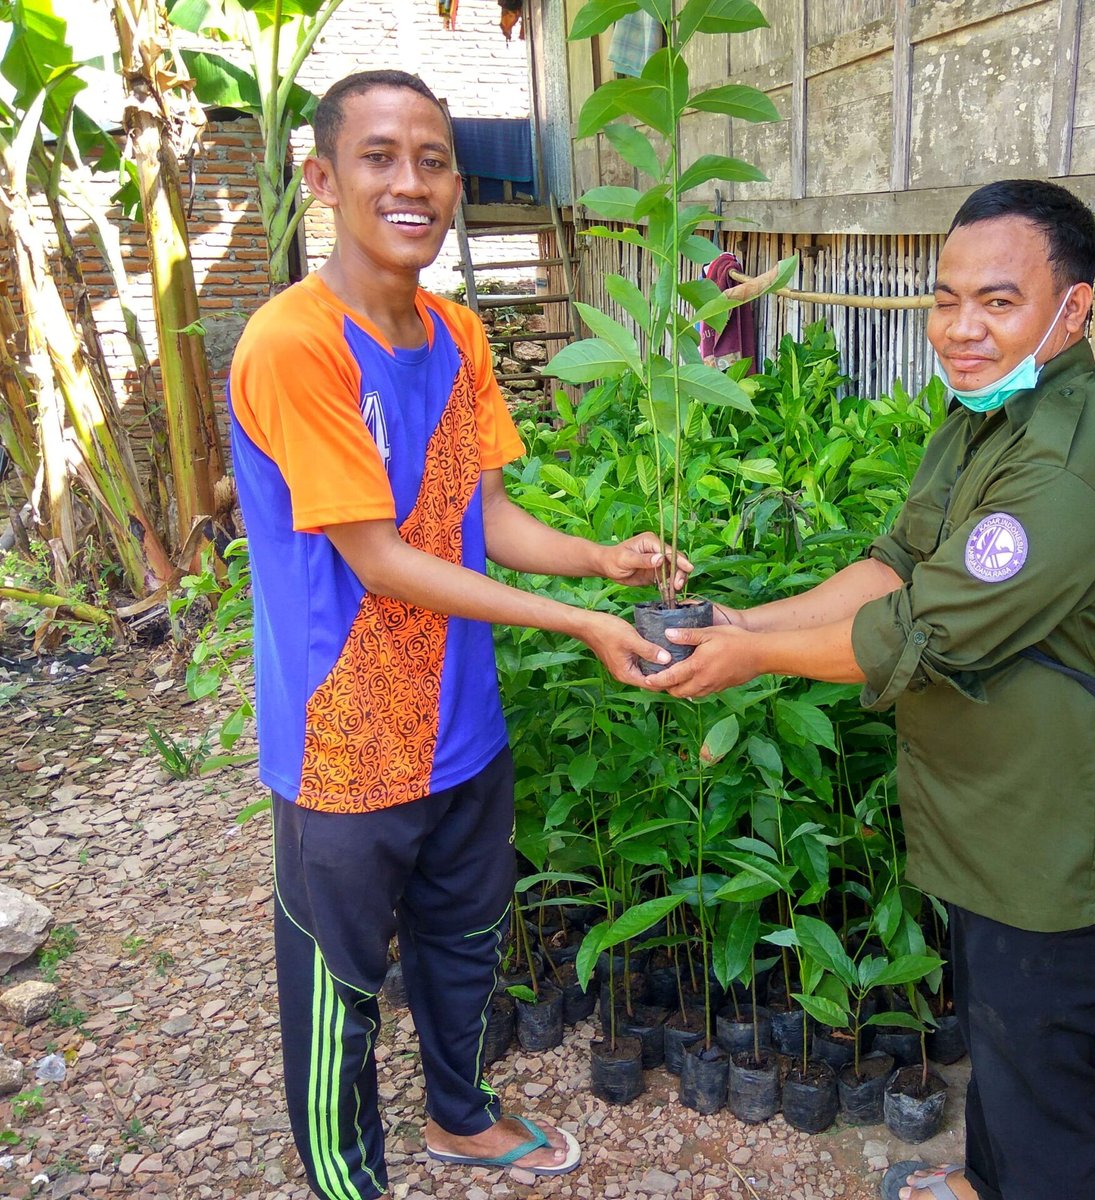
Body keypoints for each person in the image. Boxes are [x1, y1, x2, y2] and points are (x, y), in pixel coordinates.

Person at [644, 179, 1095, 1200]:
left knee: (1043, 1081)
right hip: (985, 816)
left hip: (1047, 841)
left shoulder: (1058, 467)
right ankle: (983, 1182)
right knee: (1000, 1049)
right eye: (945, 298)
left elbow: (917, 631)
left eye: (998, 301)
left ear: (1072, 310)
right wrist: (746, 621)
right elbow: (894, 565)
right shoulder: (988, 415)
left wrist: (754, 660)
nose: (961, 329)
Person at [227, 70, 687, 1200]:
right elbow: (379, 557)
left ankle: (461, 1120)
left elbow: (480, 513)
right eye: (380, 157)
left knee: (463, 945)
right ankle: (349, 1182)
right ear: (323, 180)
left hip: (458, 726)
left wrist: (600, 560)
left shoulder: (457, 332)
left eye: (433, 158)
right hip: (344, 747)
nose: (412, 182)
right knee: (338, 986)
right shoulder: (295, 344)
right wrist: (581, 622)